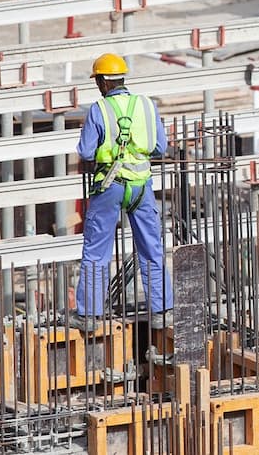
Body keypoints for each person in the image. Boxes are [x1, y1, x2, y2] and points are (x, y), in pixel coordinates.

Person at [70, 53, 174, 331]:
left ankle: (88, 316)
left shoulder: (99, 109)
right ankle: (162, 310)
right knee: (151, 249)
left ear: (103, 82)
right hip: (141, 186)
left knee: (96, 251)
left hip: (110, 185)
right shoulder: (147, 105)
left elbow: (86, 151)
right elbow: (160, 148)